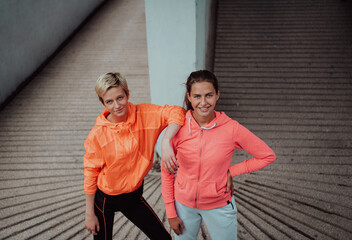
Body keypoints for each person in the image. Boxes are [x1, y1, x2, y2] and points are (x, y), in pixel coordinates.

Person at [161, 70, 276, 240]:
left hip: (219, 206)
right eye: (197, 96)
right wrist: (171, 212)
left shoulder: (232, 129)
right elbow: (167, 172)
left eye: (209, 95)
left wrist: (231, 171)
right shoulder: (178, 128)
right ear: (189, 97)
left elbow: (267, 155)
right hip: (183, 206)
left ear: (217, 95)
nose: (203, 102)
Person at [83, 72, 185, 240]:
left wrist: (166, 142)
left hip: (134, 195)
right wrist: (89, 214)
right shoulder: (97, 135)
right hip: (106, 199)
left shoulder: (145, 114)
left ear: (127, 94)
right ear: (102, 102)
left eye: (120, 97)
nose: (117, 105)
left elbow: (177, 112)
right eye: (109, 101)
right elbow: (90, 173)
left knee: (163, 238)